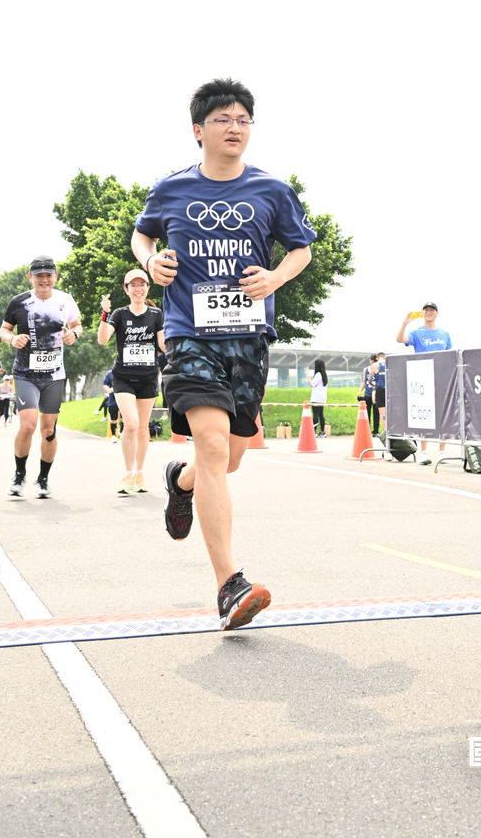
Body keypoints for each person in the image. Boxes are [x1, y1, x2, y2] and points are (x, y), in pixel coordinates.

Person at [131, 76, 315, 631]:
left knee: (228, 459)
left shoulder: (272, 191)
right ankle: (229, 586)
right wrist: (150, 261)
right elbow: (142, 236)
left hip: (247, 339)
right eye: (223, 119)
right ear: (198, 130)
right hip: (189, 334)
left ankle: (181, 482)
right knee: (211, 446)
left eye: (243, 120)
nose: (235, 128)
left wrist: (275, 277)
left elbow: (301, 250)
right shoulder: (171, 190)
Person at [0, 256, 82, 499]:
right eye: (39, 276)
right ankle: (19, 474)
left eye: (48, 275)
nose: (44, 280)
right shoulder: (19, 302)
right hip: (25, 373)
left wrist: (74, 335)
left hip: (54, 375)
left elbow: (77, 325)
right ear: (30, 277)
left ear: (55, 276)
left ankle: (43, 480)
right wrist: (12, 339)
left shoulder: (65, 300)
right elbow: (5, 329)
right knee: (27, 425)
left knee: (48, 430)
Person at [98, 268, 165, 494]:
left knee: (143, 428)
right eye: (133, 285)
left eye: (142, 284)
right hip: (123, 378)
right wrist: (105, 313)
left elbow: (163, 345)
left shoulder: (156, 314)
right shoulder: (119, 314)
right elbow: (102, 339)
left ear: (148, 287)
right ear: (126, 289)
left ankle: (139, 473)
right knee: (132, 423)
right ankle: (128, 473)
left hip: (148, 377)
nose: (138, 289)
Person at [395, 302, 453, 464]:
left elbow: (449, 354)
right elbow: (400, 339)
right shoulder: (417, 333)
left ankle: (442, 453)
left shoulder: (444, 334)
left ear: (437, 313)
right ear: (423, 313)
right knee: (423, 415)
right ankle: (424, 452)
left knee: (443, 415)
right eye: (426, 310)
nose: (429, 312)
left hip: (441, 378)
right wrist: (405, 323)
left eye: (432, 310)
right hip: (422, 377)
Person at [310, 358, 328, 437]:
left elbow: (312, 384)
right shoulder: (324, 374)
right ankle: (322, 432)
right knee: (321, 414)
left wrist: (307, 376)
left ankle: (313, 432)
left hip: (316, 398)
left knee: (315, 415)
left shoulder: (318, 375)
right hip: (322, 398)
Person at [360, 353, 377, 434]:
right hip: (367, 394)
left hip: (375, 394)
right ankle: (368, 430)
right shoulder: (366, 369)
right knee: (368, 413)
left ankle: (375, 431)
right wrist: (360, 391)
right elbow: (364, 382)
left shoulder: (378, 369)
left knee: (375, 413)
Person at [371, 352, 386, 434]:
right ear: (385, 357)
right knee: (390, 412)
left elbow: (370, 380)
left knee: (382, 413)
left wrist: (374, 390)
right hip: (390, 390)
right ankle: (392, 431)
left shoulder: (375, 365)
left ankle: (385, 431)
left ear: (377, 358)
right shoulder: (390, 364)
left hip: (380, 390)